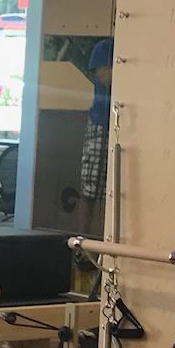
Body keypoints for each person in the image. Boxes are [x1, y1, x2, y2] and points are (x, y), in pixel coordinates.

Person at [78, 36, 114, 229]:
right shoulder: (105, 49)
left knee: (105, 193)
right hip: (99, 126)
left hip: (108, 126)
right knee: (90, 191)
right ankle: (82, 245)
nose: (100, 74)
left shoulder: (107, 48)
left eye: (103, 69)